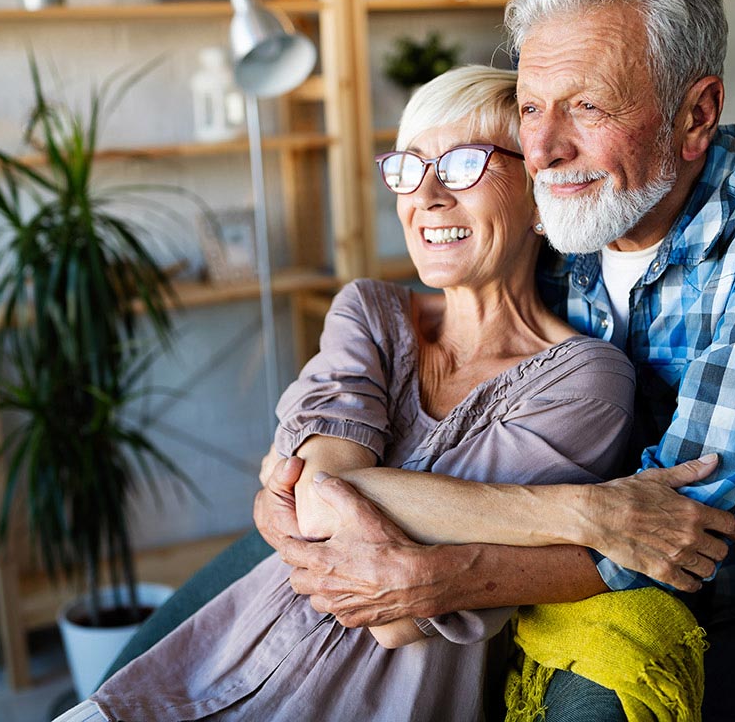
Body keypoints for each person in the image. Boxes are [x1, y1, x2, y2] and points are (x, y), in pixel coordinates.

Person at [249, 0, 735, 720]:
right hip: (595, 567)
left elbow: (686, 523)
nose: (544, 147)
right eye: (530, 107)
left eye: (587, 105)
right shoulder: (557, 222)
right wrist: (291, 495)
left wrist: (434, 576)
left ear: (697, 116)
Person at [54, 65, 682, 722]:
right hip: (201, 675)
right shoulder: (370, 311)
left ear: (539, 200)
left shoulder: (586, 378)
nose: (428, 195)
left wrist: (306, 486)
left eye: (464, 164)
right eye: (409, 168)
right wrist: (576, 513)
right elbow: (317, 499)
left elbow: (400, 615)